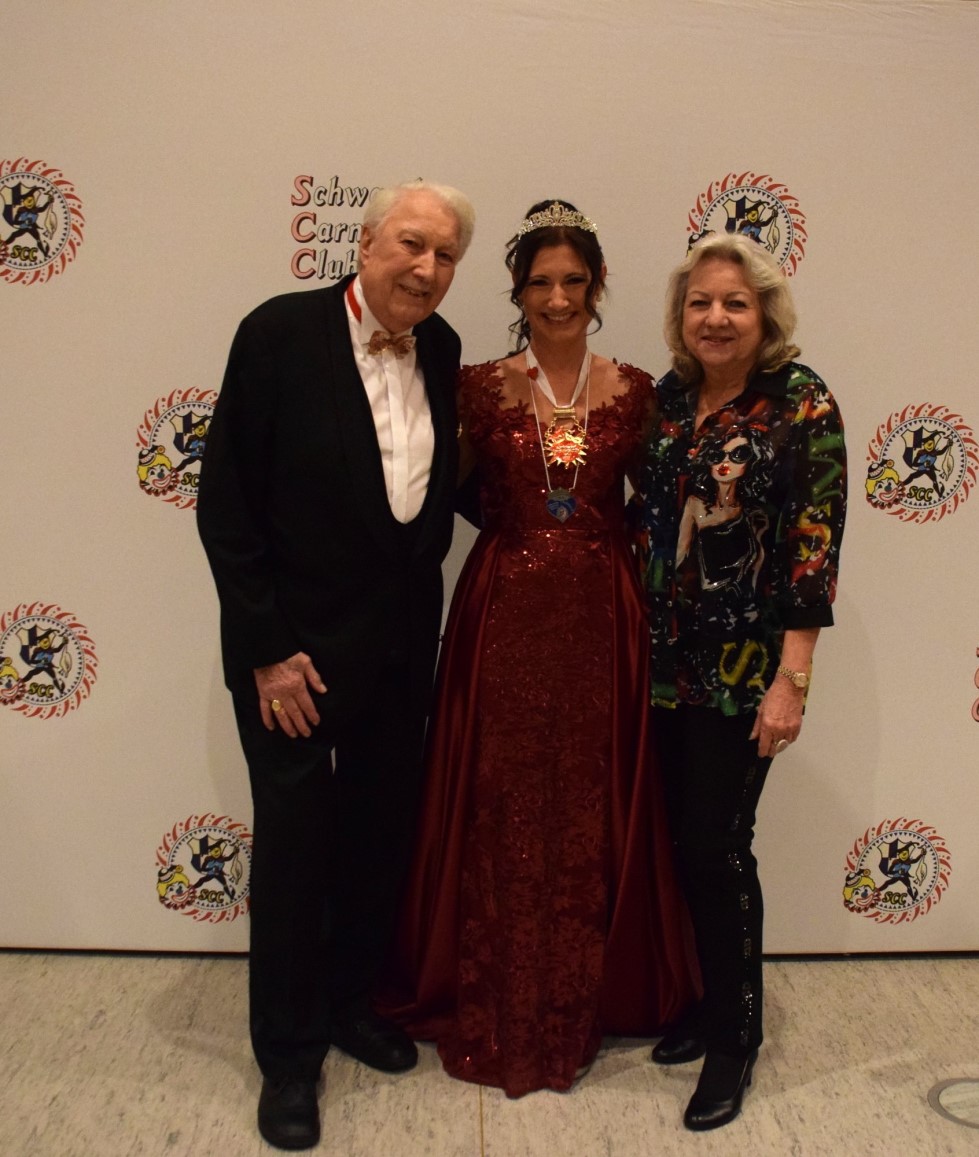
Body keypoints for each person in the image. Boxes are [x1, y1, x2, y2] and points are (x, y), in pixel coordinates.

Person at [380, 200, 699, 1098]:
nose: (557, 298)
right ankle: (490, 979)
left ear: (597, 287)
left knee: (591, 788)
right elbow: (433, 490)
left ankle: (586, 987)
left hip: (603, 613)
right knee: (499, 791)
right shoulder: (478, 386)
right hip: (503, 609)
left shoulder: (636, 390)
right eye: (539, 282)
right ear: (516, 291)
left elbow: (663, 506)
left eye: (573, 281)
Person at [196, 179, 475, 1151]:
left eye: (445, 255)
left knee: (373, 839)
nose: (426, 269)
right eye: (411, 244)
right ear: (363, 243)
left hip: (399, 653)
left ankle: (353, 1004)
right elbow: (227, 507)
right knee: (293, 856)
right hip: (295, 661)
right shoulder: (277, 333)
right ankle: (288, 1057)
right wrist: (267, 650)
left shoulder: (442, 347)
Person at [640, 232, 846, 1130]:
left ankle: (735, 1038)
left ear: (764, 314)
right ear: (680, 317)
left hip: (744, 669)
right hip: (657, 663)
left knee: (715, 844)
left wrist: (792, 678)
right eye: (699, 303)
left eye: (734, 302)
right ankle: (702, 999)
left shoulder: (800, 401)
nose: (715, 318)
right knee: (676, 842)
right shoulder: (666, 398)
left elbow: (813, 543)